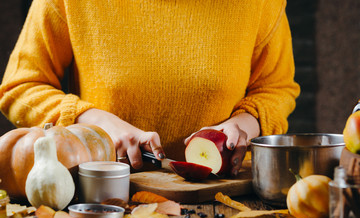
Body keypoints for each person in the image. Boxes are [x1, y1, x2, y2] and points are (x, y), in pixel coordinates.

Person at [0, 0, 300, 177]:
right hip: (100, 198)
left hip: (228, 196)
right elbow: (20, 86)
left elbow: (276, 88)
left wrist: (245, 123)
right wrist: (96, 122)